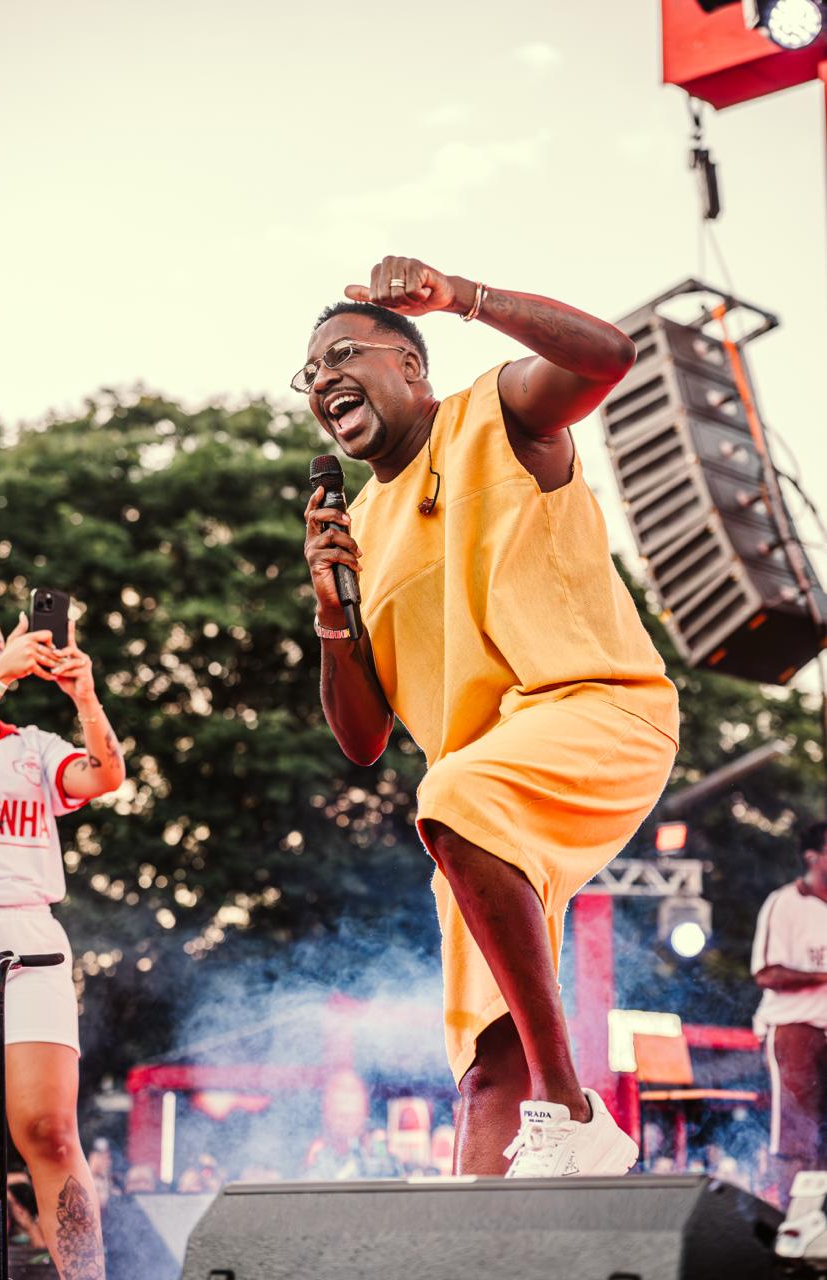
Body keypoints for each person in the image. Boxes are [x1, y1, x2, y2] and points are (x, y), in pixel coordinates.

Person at [300, 256, 679, 1177]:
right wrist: (332, 613)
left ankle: (572, 1106)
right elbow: (363, 740)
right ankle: (488, 1221)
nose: (321, 380)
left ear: (410, 366)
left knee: (455, 794)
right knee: (483, 1069)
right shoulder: (361, 529)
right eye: (308, 374)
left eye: (342, 355)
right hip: (475, 810)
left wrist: (463, 298)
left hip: (597, 711)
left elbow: (606, 356)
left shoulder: (491, 415)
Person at [0, 608, 126, 1278]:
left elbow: (104, 775)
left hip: (29, 933)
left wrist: (85, 697)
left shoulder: (32, 746)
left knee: (49, 1131)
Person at [751, 820, 827, 1205]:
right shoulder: (786, 903)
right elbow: (766, 973)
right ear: (813, 857)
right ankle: (793, 1220)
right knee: (797, 1137)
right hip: (795, 1028)